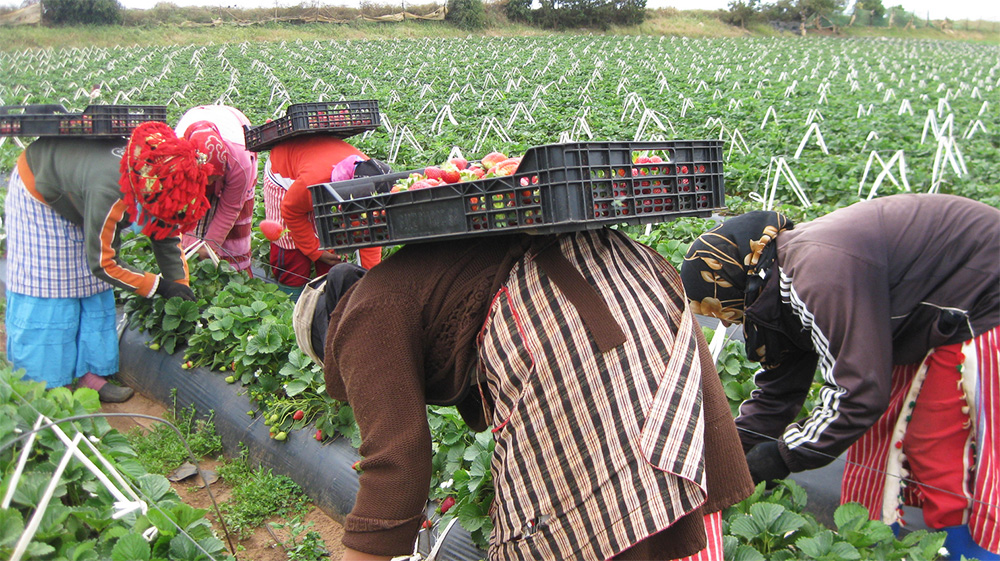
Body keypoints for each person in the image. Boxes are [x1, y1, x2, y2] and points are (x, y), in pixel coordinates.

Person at [298, 228, 754, 560]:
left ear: (329, 343)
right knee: (643, 495)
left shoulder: (362, 317)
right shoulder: (410, 281)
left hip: (566, 318)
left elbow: (396, 460)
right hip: (633, 280)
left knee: (573, 522)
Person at [680, 193, 1000, 559]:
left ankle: (977, 551)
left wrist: (782, 457)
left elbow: (859, 394)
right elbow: (780, 392)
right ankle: (879, 543)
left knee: (937, 441)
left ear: (736, 281)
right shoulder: (775, 281)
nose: (726, 320)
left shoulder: (814, 276)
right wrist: (729, 452)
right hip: (927, 311)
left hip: (983, 294)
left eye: (723, 309)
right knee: (882, 436)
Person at [5, 121, 213, 403]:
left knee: (91, 288)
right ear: (146, 190)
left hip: (81, 191)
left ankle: (89, 376)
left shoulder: (156, 180)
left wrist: (179, 284)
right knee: (51, 289)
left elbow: (164, 229)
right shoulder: (112, 191)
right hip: (42, 192)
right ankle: (45, 385)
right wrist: (157, 286)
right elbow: (102, 263)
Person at [262, 135, 386, 293]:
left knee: (333, 251)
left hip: (315, 168)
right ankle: (291, 301)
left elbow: (369, 233)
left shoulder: (372, 175)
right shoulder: (313, 181)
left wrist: (369, 284)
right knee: (293, 256)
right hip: (284, 174)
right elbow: (291, 211)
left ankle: (328, 295)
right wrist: (315, 251)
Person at [174, 105, 258, 273]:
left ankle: (236, 270)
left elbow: (230, 207)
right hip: (192, 152)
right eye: (206, 179)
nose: (210, 182)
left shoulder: (240, 161)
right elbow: (182, 203)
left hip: (235, 136)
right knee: (186, 240)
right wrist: (190, 245)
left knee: (235, 234)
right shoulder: (175, 157)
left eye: (215, 178)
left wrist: (210, 246)